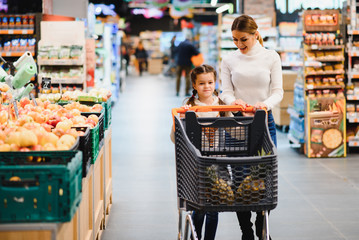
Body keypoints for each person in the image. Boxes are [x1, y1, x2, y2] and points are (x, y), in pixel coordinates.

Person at [220, 14, 283, 240]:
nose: (239, 45)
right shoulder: (228, 60)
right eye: (235, 40)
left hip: (264, 123)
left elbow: (278, 92)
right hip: (236, 125)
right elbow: (225, 91)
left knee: (265, 178)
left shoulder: (271, 57)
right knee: (239, 181)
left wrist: (263, 105)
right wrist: (231, 102)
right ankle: (245, 231)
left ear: (255, 34)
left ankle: (261, 222)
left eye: (243, 39)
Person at [171, 64, 231, 240]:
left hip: (218, 162)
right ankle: (194, 237)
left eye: (210, 82)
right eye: (202, 83)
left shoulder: (222, 105)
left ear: (216, 83)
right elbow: (175, 136)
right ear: (194, 85)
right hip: (195, 163)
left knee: (214, 208)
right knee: (199, 207)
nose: (207, 86)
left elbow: (233, 129)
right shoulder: (188, 106)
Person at [175, 32, 200, 96]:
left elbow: (176, 51)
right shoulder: (190, 45)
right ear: (190, 38)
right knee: (187, 77)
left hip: (179, 63)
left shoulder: (180, 44)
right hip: (187, 63)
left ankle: (177, 91)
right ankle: (186, 92)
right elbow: (197, 53)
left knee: (178, 77)